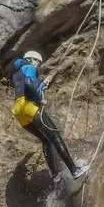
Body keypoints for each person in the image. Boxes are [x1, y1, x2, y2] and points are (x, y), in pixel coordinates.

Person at [10, 50, 89, 188]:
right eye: (37, 63)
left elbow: (27, 87)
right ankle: (74, 170)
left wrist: (42, 85)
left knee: (46, 140)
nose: (38, 66)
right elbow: (29, 83)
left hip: (19, 112)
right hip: (29, 107)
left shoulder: (17, 73)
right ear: (31, 59)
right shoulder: (28, 67)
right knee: (55, 136)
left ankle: (56, 177)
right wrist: (40, 98)